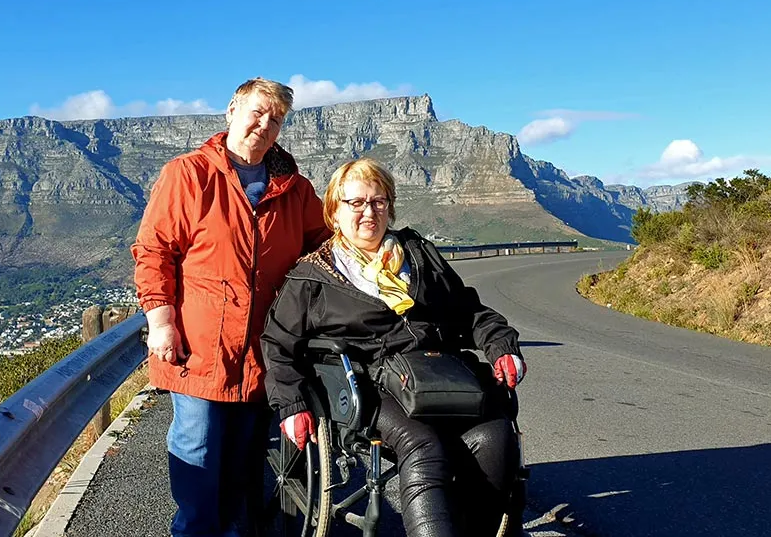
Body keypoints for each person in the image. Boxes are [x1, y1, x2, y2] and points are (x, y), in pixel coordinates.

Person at [260, 157, 528, 537]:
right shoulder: (312, 277)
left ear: (390, 206)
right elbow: (278, 344)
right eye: (356, 203)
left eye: (378, 201)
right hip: (371, 385)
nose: (369, 212)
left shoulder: (419, 255)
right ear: (334, 212)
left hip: (438, 373)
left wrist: (502, 346)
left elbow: (469, 311)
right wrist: (291, 405)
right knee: (423, 444)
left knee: (494, 438)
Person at [131, 77, 331, 537]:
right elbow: (154, 250)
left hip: (263, 352)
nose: (264, 125)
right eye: (257, 112)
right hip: (199, 349)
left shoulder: (295, 189)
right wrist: (161, 320)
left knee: (244, 460)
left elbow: (324, 248)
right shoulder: (189, 174)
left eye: (275, 119)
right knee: (198, 450)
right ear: (232, 110)